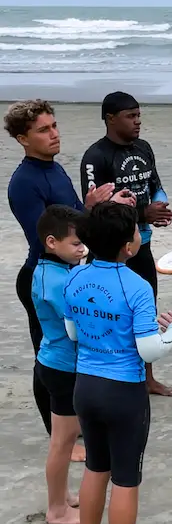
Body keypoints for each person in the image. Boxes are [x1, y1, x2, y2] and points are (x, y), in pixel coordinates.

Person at [64, 202, 172, 524]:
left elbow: (73, 333)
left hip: (85, 385)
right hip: (122, 392)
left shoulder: (75, 276)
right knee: (125, 479)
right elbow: (149, 351)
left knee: (95, 468)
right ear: (128, 245)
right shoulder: (136, 286)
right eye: (136, 230)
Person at [6, 99, 122, 440]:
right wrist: (90, 217)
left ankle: (73, 424)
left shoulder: (54, 169)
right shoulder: (24, 182)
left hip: (70, 273)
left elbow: (71, 220)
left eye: (54, 126)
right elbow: (46, 239)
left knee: (72, 353)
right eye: (43, 130)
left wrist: (92, 207)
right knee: (48, 358)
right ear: (23, 139)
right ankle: (58, 434)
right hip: (41, 277)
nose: (54, 134)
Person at [80, 91, 172, 398]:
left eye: (139, 115)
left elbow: (155, 185)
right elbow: (98, 212)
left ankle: (147, 378)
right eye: (130, 116)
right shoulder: (96, 156)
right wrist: (144, 213)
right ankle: (105, 374)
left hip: (141, 246)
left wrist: (160, 207)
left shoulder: (143, 148)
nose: (138, 121)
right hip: (108, 253)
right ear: (110, 119)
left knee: (144, 312)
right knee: (106, 313)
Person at [32, 205, 87, 524]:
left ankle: (63, 495)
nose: (82, 249)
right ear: (51, 242)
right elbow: (77, 325)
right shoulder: (55, 281)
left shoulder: (53, 271)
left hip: (56, 361)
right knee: (62, 442)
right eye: (76, 244)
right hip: (62, 366)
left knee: (64, 439)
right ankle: (56, 509)